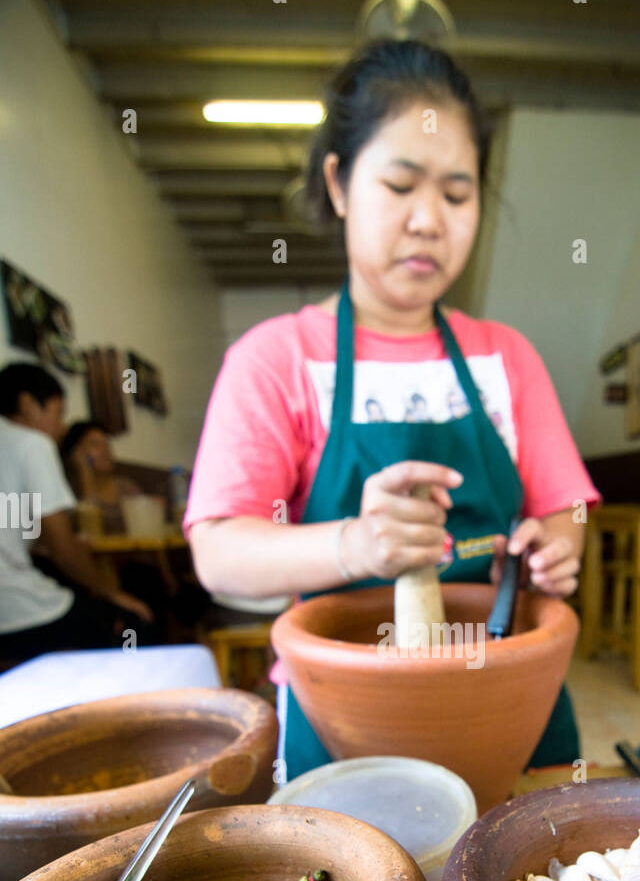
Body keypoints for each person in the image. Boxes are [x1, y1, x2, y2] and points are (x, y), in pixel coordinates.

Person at [185, 39, 601, 780]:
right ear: (340, 185)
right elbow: (218, 555)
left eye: (456, 193)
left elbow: (564, 507)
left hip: (508, 696)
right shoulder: (275, 358)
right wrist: (355, 545)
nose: (428, 220)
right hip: (343, 714)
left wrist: (555, 547)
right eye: (400, 185)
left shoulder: (506, 357)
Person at [0, 363, 154, 663]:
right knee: (134, 621)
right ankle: (124, 708)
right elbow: (61, 541)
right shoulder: (32, 444)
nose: (60, 429)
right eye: (58, 414)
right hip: (16, 610)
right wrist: (109, 593)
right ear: (28, 403)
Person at [60, 420, 142, 534]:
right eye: (95, 444)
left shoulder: (127, 487)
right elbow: (86, 531)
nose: (105, 450)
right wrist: (85, 475)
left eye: (106, 443)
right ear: (77, 453)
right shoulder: (70, 491)